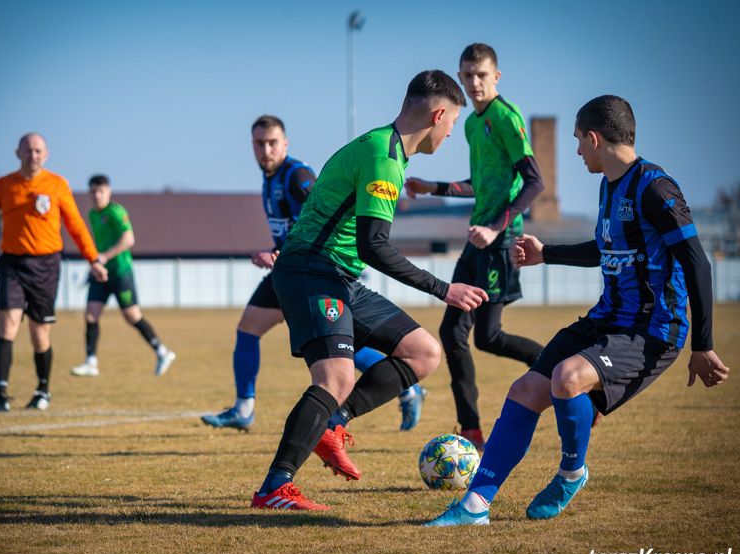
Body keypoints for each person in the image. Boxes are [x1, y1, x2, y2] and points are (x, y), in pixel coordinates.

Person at [424, 95, 730, 527]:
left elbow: (696, 260)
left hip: (653, 329)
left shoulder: (656, 188)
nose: (577, 152)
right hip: (607, 318)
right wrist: (546, 255)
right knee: (524, 390)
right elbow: (604, 249)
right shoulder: (609, 184)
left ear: (594, 137)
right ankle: (475, 507)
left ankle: (571, 472)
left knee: (568, 378)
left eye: (578, 142)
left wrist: (703, 345)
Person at [251, 70, 489, 510]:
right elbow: (373, 245)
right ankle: (273, 489)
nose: (452, 131)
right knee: (336, 377)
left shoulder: (390, 151)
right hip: (310, 270)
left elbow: (363, 248)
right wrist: (443, 289)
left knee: (424, 353)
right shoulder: (383, 157)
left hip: (339, 276)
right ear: (439, 114)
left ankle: (332, 425)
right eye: (453, 122)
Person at [201, 115, 427, 434]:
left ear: (285, 144)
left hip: (313, 270)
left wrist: (278, 254)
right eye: (259, 143)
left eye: (272, 143)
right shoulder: (270, 178)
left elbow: (320, 222)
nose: (265, 150)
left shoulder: (298, 176)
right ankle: (243, 409)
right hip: (290, 269)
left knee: (335, 345)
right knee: (250, 329)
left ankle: (404, 386)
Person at [405, 43, 546, 450]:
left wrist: (497, 226)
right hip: (477, 239)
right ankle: (470, 429)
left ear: (495, 77)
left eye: (480, 75)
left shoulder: (506, 116)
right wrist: (432, 188)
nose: (473, 83)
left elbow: (534, 180)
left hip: (500, 241)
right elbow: (479, 185)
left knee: (487, 337)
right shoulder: (470, 124)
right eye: (466, 75)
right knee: (451, 332)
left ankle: (555, 369)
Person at [0, 133, 108, 412]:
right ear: (17, 153)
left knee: (39, 334)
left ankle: (42, 390)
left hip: (46, 267)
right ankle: (1, 395)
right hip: (12, 264)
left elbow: (76, 226)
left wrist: (93, 259)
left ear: (46, 154)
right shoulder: (4, 185)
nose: (32, 156)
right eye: (28, 151)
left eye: (38, 151)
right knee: (7, 324)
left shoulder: (57, 185)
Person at [69, 175, 176, 378]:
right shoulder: (92, 214)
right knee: (91, 314)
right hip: (101, 273)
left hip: (120, 272)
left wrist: (105, 256)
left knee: (132, 316)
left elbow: (129, 239)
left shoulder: (116, 212)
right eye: (93, 191)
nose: (97, 195)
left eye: (100, 191)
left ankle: (162, 352)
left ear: (109, 192)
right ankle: (91, 362)